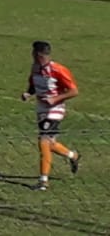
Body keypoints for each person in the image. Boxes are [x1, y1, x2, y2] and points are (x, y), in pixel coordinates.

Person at [23, 40, 81, 190]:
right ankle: (72, 155)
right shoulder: (35, 68)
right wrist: (28, 93)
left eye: (33, 52)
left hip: (55, 109)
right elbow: (33, 85)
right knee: (50, 143)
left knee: (43, 141)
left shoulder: (58, 70)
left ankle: (43, 181)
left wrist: (55, 99)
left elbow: (74, 91)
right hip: (41, 109)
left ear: (38, 54)